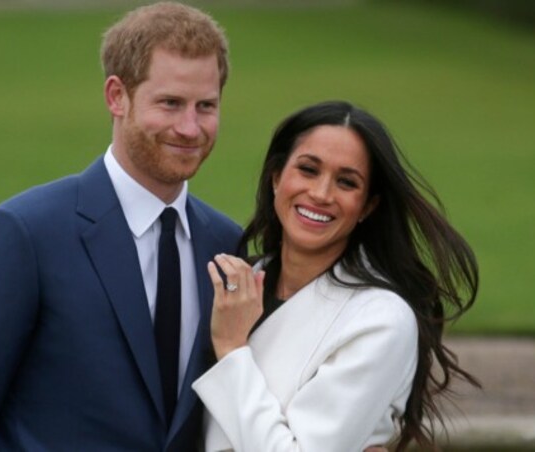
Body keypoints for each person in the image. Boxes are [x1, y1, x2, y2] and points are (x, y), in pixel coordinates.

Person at [0, 2, 240, 450]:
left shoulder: (227, 246)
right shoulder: (24, 236)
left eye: (206, 106)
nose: (190, 127)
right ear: (116, 96)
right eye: (170, 103)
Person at [191, 100, 480, 451]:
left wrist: (233, 350)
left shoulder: (381, 320)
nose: (321, 194)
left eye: (346, 182)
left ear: (367, 206)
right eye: (308, 170)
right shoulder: (238, 285)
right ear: (276, 177)